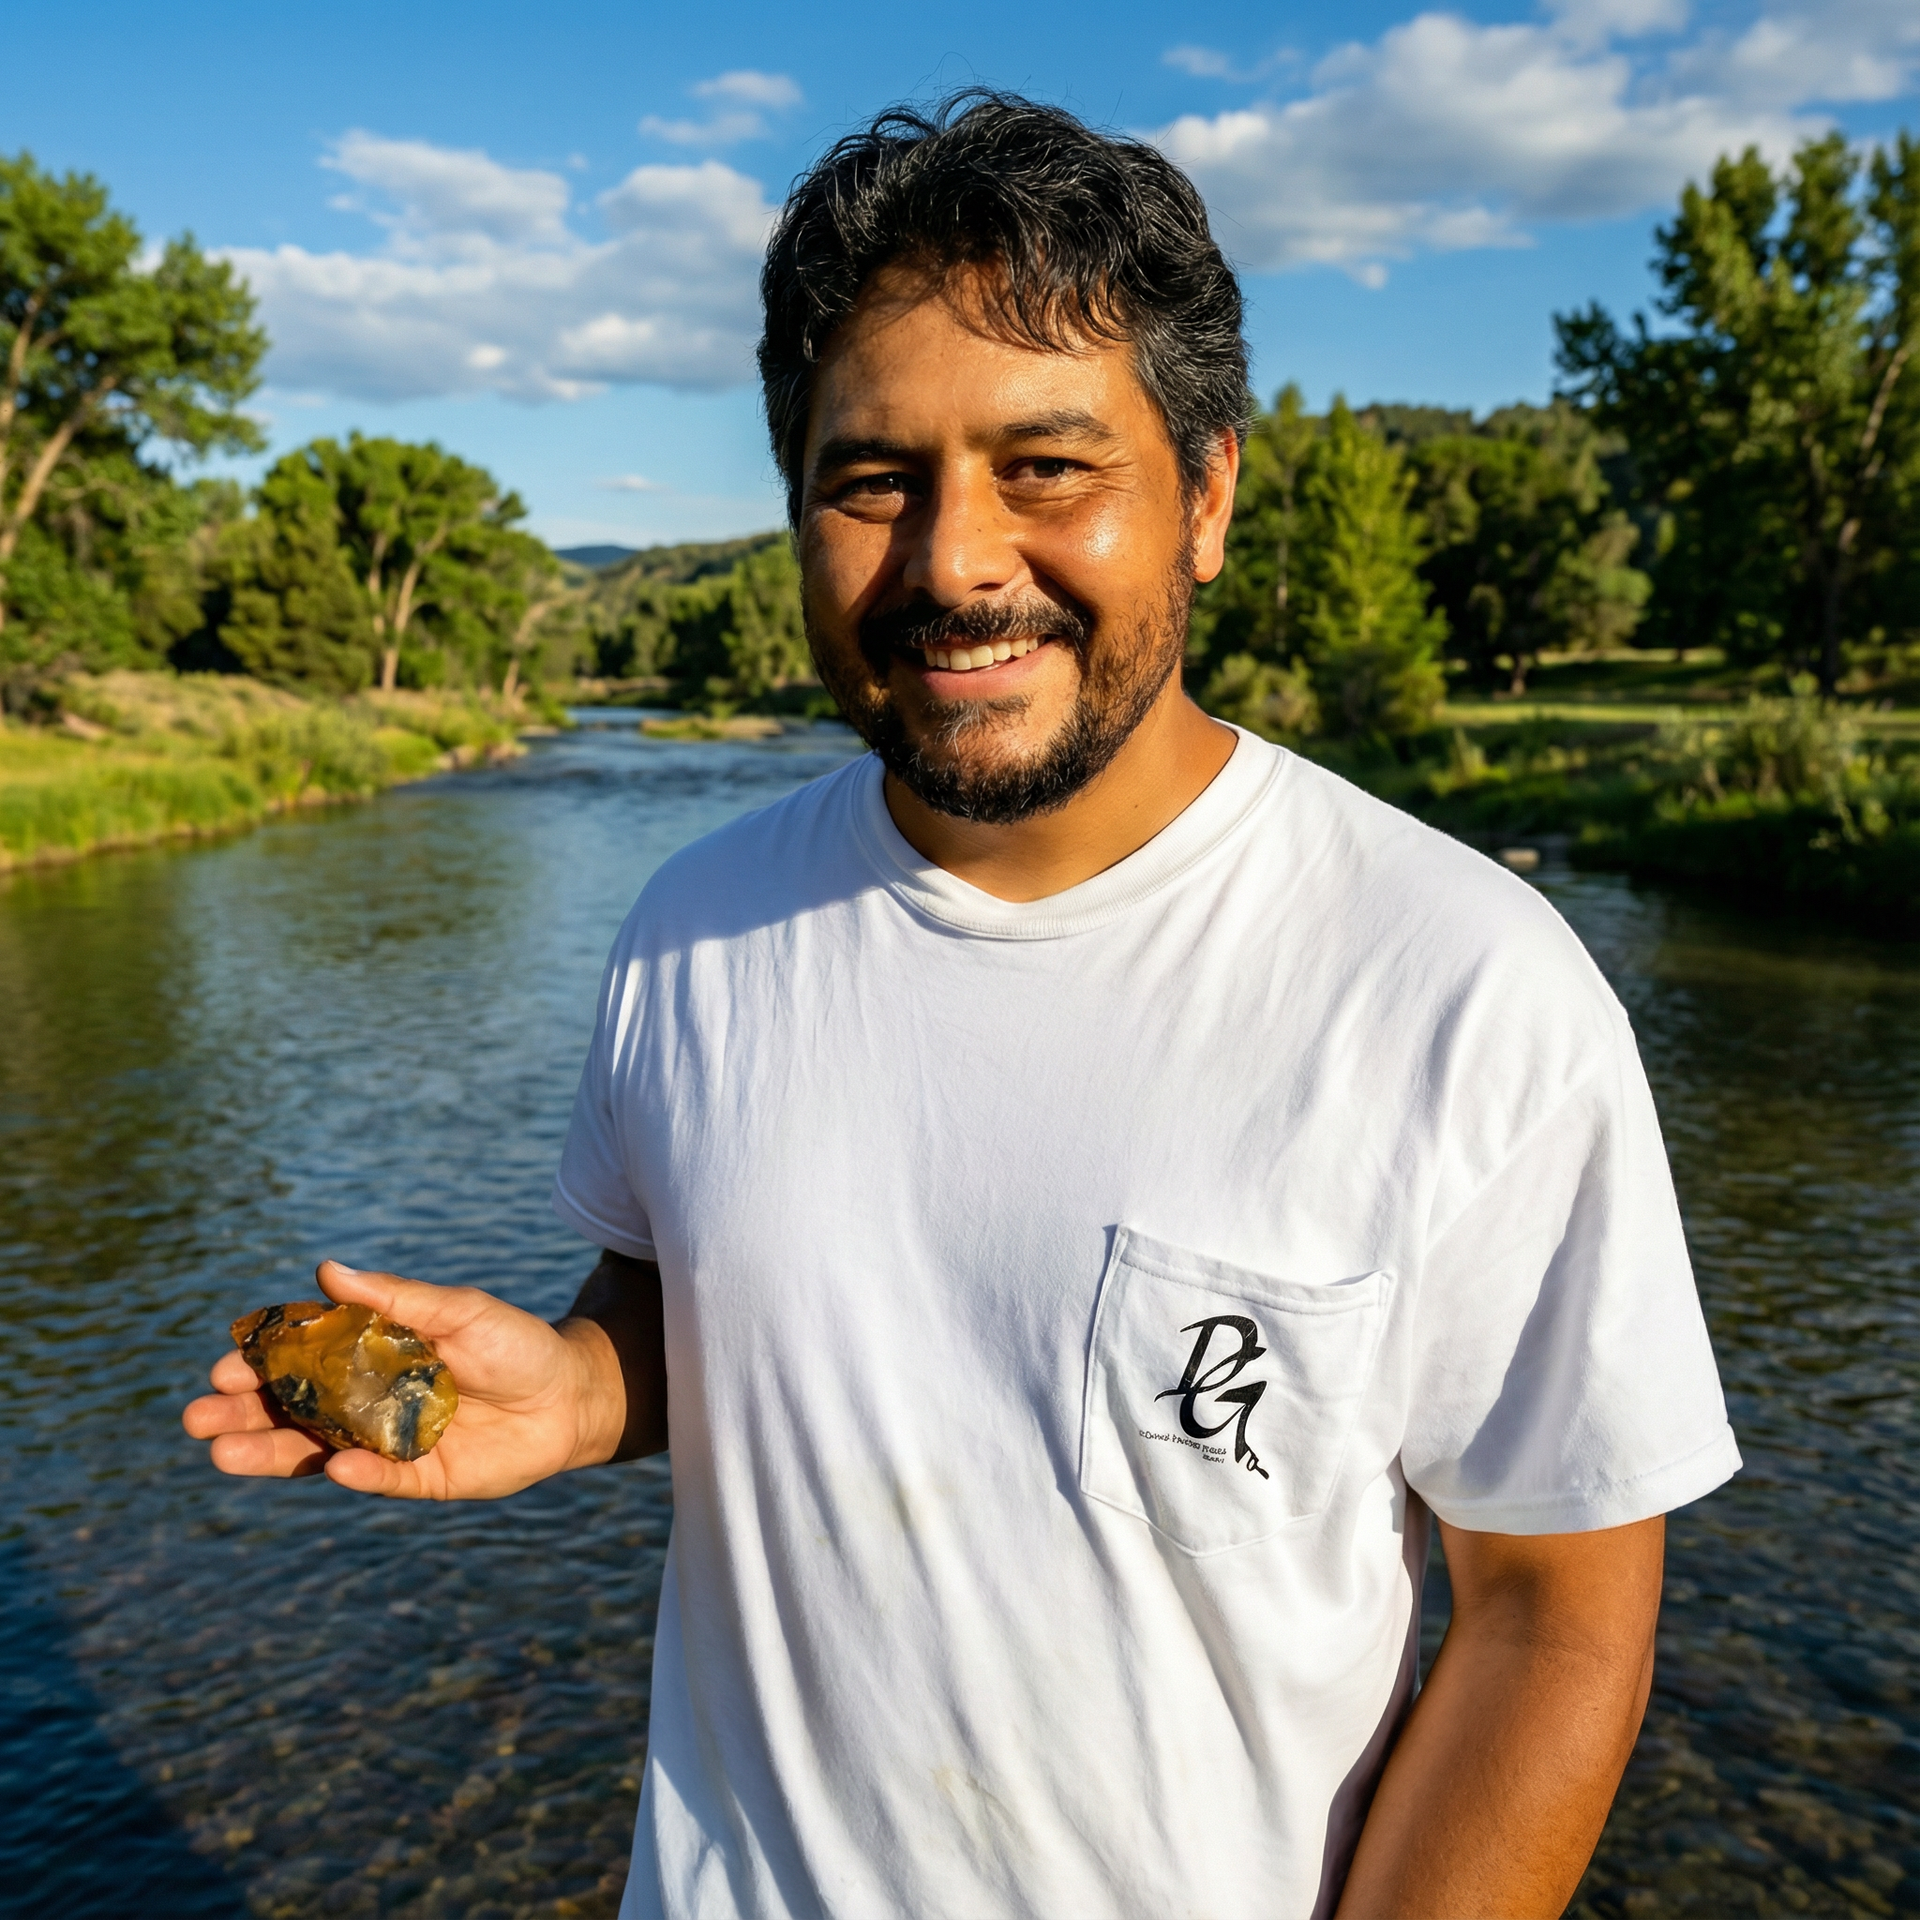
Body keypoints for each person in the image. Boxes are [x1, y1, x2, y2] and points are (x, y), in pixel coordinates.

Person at [184, 93, 1740, 1920]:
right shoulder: (693, 928)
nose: (954, 561)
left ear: (1209, 495)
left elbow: (1555, 1625)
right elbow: (718, 1298)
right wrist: (592, 1391)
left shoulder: (1465, 989)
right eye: (873, 480)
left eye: (1050, 465)